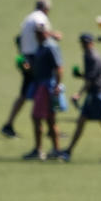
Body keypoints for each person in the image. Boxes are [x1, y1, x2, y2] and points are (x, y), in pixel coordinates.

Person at [1, 0, 62, 139]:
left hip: (27, 57)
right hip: (37, 59)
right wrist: (54, 35)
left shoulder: (28, 18)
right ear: (46, 8)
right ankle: (52, 128)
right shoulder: (40, 18)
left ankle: (9, 124)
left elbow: (19, 38)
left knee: (26, 93)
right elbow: (41, 31)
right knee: (47, 90)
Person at [63, 33, 101, 163]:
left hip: (96, 95)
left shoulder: (92, 57)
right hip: (94, 94)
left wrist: (78, 94)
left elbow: (90, 80)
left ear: (91, 43)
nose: (83, 45)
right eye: (82, 43)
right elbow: (91, 76)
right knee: (82, 122)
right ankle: (68, 151)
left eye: (85, 43)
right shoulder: (88, 55)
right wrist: (81, 75)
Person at [22, 21, 64, 161]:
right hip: (41, 85)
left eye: (40, 33)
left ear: (46, 32)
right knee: (49, 119)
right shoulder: (42, 46)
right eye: (37, 33)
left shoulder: (50, 46)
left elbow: (59, 68)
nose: (38, 35)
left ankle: (41, 150)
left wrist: (57, 86)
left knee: (39, 117)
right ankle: (54, 150)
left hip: (47, 87)